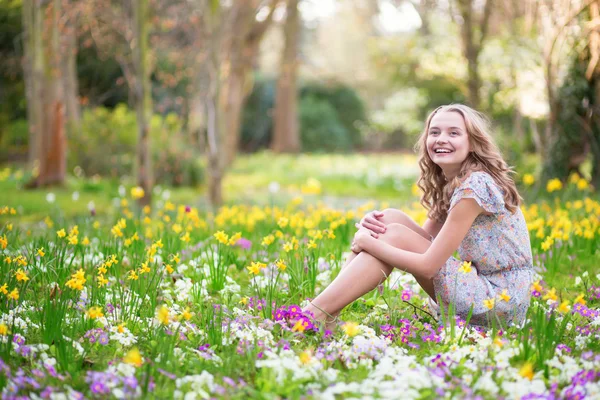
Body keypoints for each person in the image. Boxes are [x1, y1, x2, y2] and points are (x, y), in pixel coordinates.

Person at [303, 104, 533, 327]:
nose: (442, 138)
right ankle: (329, 313)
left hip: (498, 300)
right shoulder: (454, 181)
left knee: (392, 234)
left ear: (472, 143)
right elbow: (423, 239)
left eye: (454, 133)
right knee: (387, 220)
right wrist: (374, 230)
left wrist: (367, 242)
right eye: (435, 132)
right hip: (477, 285)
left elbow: (427, 266)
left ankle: (312, 314)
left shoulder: (474, 187)